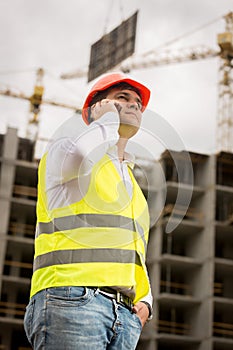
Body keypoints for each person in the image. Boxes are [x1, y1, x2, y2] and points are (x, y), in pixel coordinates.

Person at [24, 72, 153, 350]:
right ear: (94, 108)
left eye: (137, 103)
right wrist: (105, 119)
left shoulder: (131, 185)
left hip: (125, 317)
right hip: (72, 300)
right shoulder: (67, 148)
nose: (133, 105)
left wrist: (146, 301)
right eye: (122, 97)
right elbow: (83, 156)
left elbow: (133, 255)